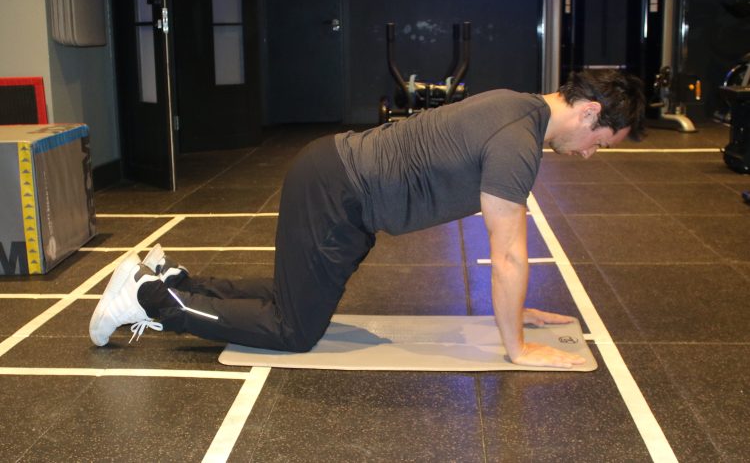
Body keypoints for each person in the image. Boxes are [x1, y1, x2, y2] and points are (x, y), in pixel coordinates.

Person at [90, 68, 645, 369]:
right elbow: (506, 253)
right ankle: (150, 302)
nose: (591, 152)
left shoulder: (516, 106)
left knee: (299, 297)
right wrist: (518, 349)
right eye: (601, 141)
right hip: (338, 189)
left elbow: (505, 258)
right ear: (591, 112)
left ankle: (174, 281)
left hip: (342, 188)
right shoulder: (519, 140)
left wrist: (517, 309)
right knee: (294, 330)